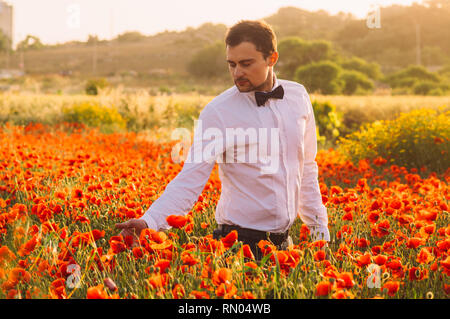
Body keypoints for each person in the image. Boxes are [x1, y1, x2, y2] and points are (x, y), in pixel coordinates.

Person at [115, 20, 330, 260]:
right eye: (232, 64)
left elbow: (307, 168)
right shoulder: (218, 112)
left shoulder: (298, 96)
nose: (237, 73)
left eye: (246, 64)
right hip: (236, 246)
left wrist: (319, 231)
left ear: (272, 58)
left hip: (285, 246)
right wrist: (150, 221)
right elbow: (191, 178)